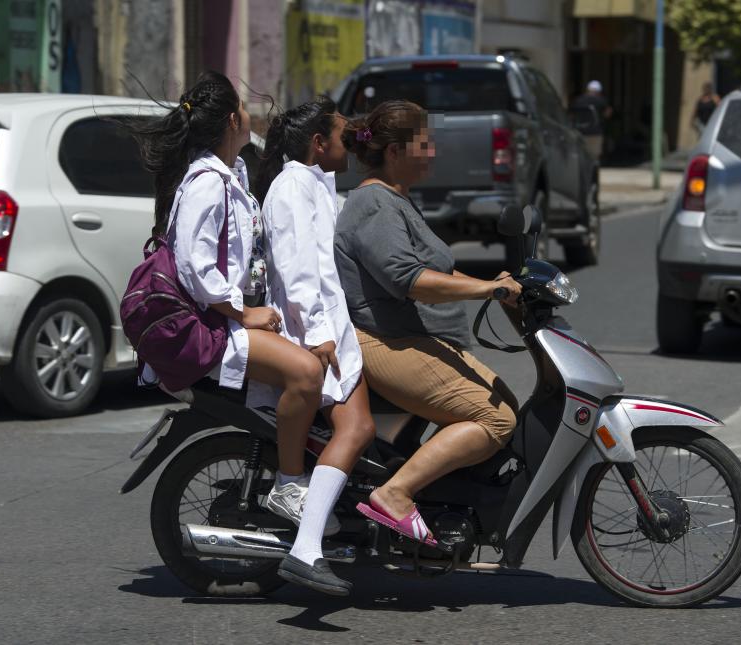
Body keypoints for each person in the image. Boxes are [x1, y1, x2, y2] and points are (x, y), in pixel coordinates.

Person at [124, 71, 325, 547]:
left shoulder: (228, 175)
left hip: (223, 319)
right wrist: (242, 313)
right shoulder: (207, 183)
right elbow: (195, 267)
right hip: (211, 327)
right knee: (306, 375)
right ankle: (291, 485)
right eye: (244, 105)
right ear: (233, 118)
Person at [334, 100, 522, 545]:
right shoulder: (375, 204)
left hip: (407, 336)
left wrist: (492, 284)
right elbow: (408, 278)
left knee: (504, 402)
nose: (433, 151)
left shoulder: (395, 200)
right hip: (382, 340)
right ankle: (395, 493)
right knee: (495, 420)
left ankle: (445, 507)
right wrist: (485, 291)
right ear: (397, 151)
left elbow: (434, 269)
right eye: (425, 142)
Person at [252, 96, 375, 595]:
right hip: (315, 331)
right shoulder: (289, 189)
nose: (352, 143)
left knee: (363, 428)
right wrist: (319, 333)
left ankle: (325, 519)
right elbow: (297, 269)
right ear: (319, 143)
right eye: (345, 135)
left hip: (334, 326)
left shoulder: (316, 185)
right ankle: (304, 545)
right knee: (359, 426)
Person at [571, 80, 612, 161]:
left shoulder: (578, 100)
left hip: (579, 131)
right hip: (595, 132)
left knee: (580, 155)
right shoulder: (601, 100)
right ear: (599, 91)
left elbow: (571, 115)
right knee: (594, 156)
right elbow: (608, 113)